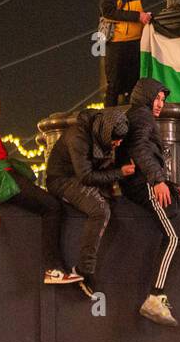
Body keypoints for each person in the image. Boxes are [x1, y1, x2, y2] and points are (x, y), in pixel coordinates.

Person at [0, 83, 78, 290]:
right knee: (52, 207)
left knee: (50, 204)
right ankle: (53, 269)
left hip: (6, 175)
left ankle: (55, 269)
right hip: (1, 181)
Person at [45, 104, 133, 298]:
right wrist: (120, 173)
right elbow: (86, 176)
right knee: (100, 210)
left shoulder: (101, 133)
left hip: (80, 177)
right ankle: (85, 269)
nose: (117, 144)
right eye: (115, 139)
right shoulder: (78, 137)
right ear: (105, 132)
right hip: (62, 180)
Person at [120, 77, 180, 326]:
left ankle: (157, 296)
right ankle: (155, 297)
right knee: (174, 237)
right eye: (157, 98)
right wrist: (158, 181)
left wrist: (168, 184)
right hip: (144, 185)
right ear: (145, 97)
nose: (160, 103)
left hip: (148, 182)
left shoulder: (139, 115)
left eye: (163, 99)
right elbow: (139, 149)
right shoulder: (142, 115)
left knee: (179, 237)